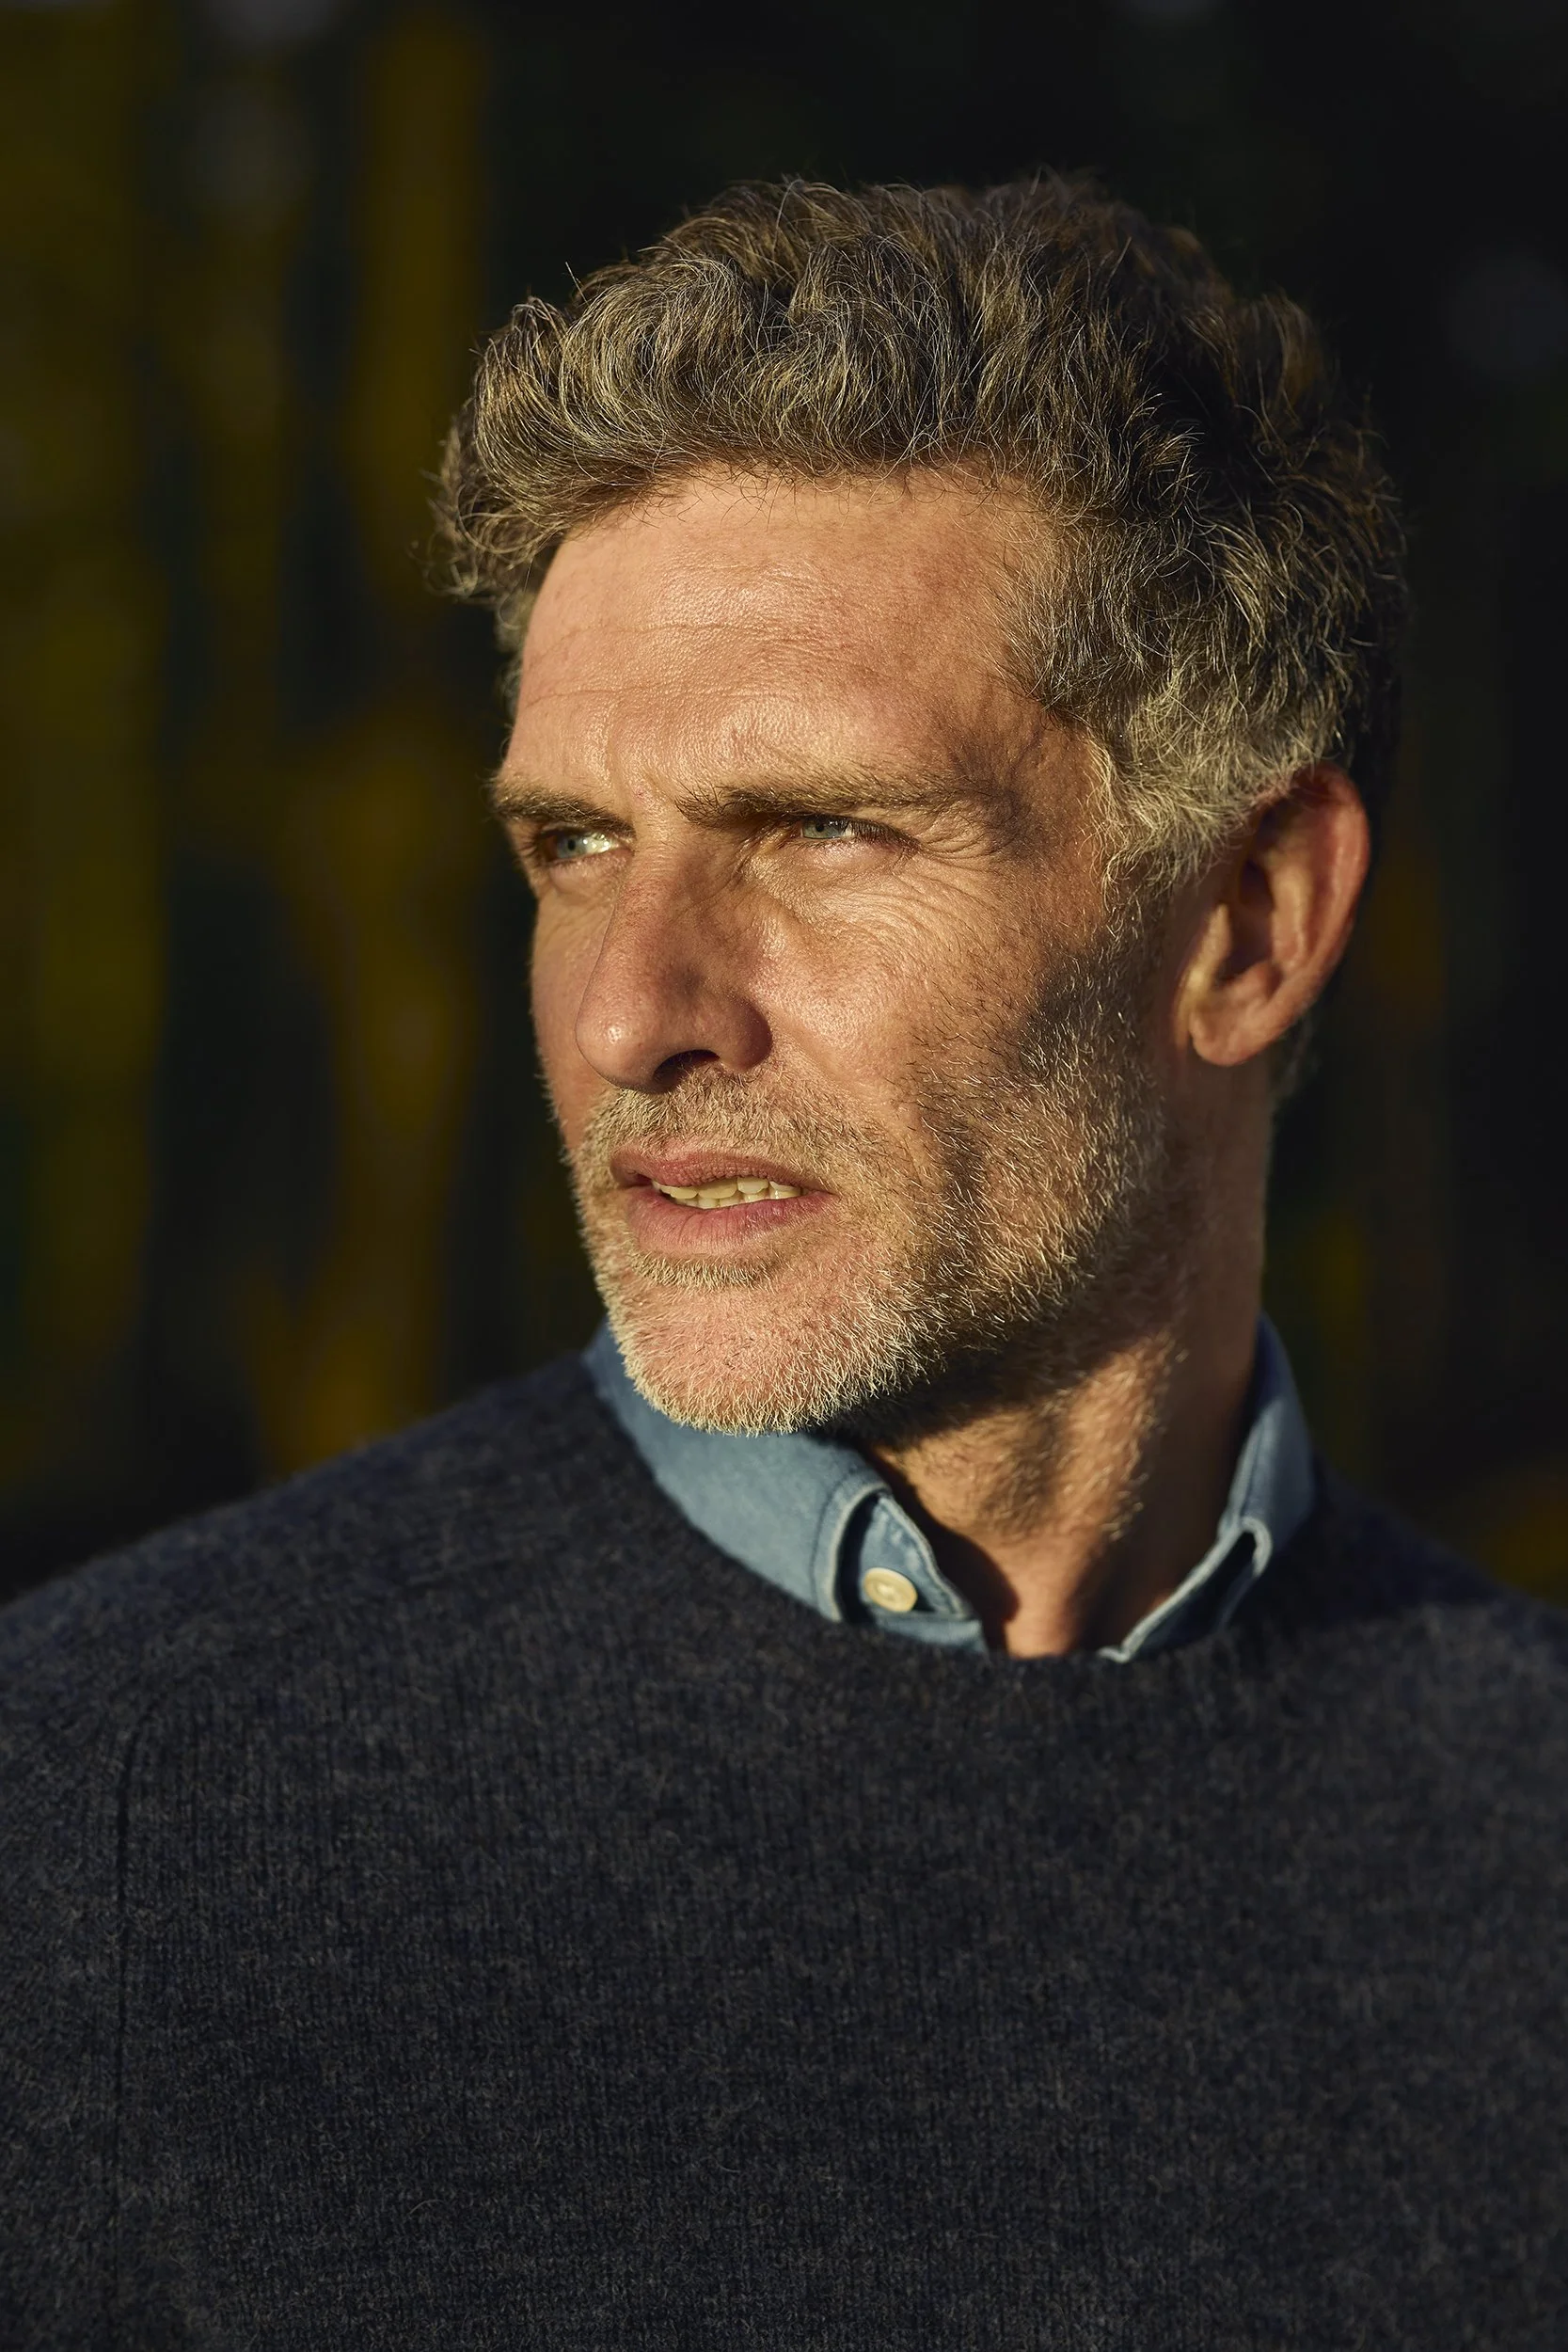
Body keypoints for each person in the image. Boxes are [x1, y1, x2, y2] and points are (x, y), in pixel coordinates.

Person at [4, 175, 1565, 2349]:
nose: (634, 1011)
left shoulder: (1520, 1852)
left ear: (1246, 922)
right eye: (571, 845)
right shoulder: (100, 1818)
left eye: (820, 829)